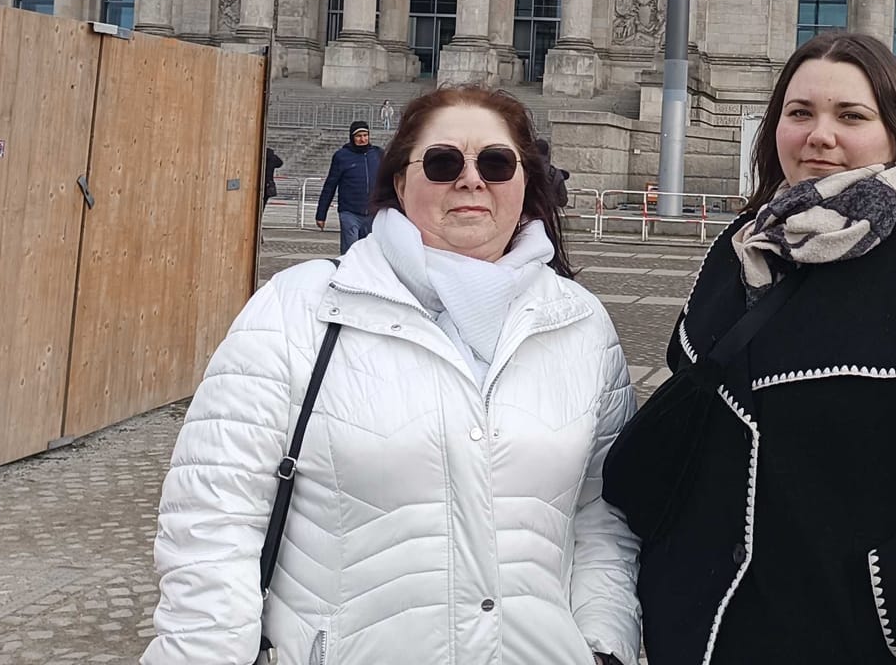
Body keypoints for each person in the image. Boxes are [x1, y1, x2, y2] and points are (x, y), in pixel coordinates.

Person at [603, 32, 896, 665]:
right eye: (800, 114)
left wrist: (891, 611)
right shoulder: (742, 249)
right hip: (706, 634)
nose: (819, 135)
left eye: (850, 116)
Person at [143, 86, 639, 665]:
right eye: (443, 162)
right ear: (400, 182)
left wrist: (606, 646)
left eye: (497, 163)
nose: (471, 180)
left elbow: (600, 513)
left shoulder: (580, 324)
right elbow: (214, 520)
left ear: (527, 184)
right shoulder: (298, 307)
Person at [315, 120, 382, 254]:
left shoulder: (378, 154)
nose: (362, 139)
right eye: (358, 136)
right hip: (349, 212)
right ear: (352, 137)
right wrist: (321, 214)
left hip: (373, 213)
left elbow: (387, 182)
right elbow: (330, 185)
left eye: (365, 135)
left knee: (370, 253)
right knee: (350, 252)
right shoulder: (341, 156)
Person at [538, 137, 571, 210]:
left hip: (528, 216)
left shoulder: (526, 171)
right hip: (549, 214)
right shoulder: (557, 174)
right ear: (547, 153)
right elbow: (563, 200)